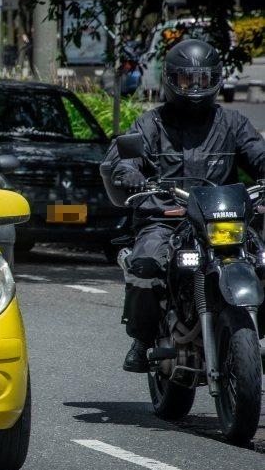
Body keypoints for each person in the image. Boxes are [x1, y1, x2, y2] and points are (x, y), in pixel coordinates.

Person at [103, 38, 265, 372]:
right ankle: (143, 337)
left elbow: (258, 153)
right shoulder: (151, 124)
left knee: (261, 260)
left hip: (222, 219)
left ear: (216, 80)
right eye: (187, 80)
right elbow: (122, 159)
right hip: (166, 217)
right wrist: (129, 173)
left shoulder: (232, 123)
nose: (195, 87)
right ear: (171, 80)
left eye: (203, 80)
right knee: (145, 263)